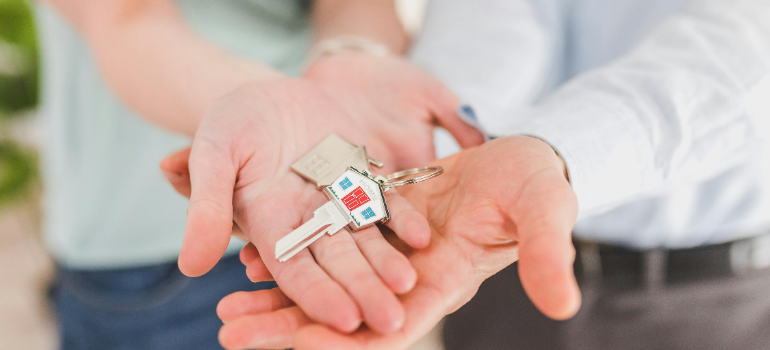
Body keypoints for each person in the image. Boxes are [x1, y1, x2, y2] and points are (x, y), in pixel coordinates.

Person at [161, 0, 770, 349]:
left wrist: (557, 152)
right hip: (487, 265)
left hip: (711, 293)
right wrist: (428, 115)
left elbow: (746, 47)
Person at [36, 0, 481, 348]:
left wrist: (351, 52)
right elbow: (125, 21)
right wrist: (256, 102)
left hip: (331, 180)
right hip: (149, 247)